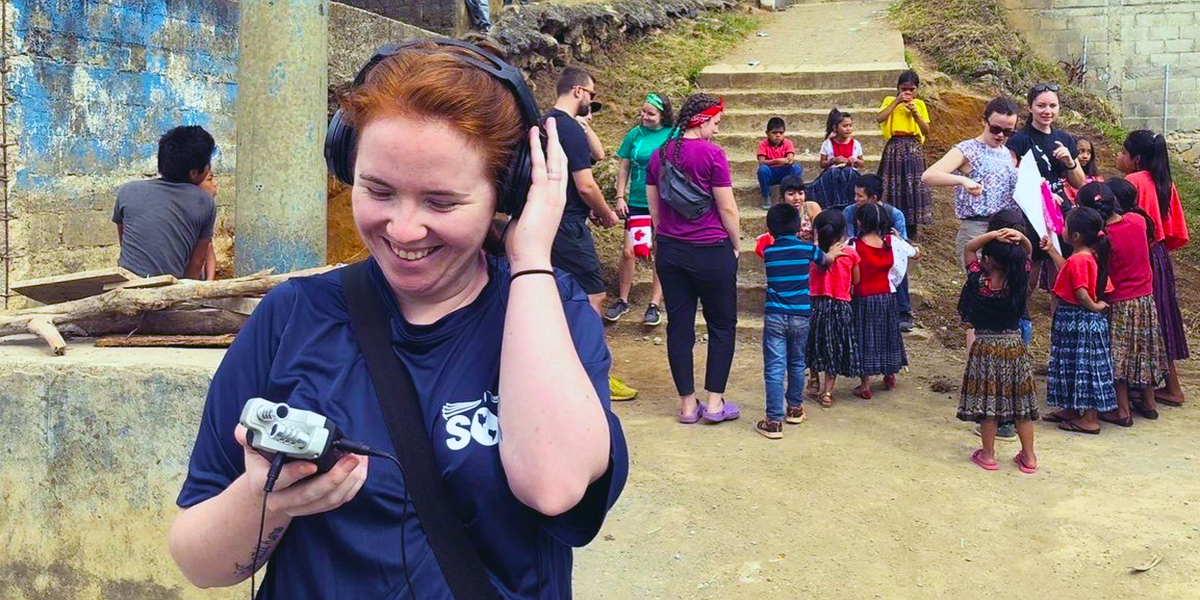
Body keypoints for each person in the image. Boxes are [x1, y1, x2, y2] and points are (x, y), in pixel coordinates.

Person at [168, 40, 627, 598]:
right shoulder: (292, 316)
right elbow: (200, 564)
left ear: (506, 194)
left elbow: (553, 488)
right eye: (378, 191)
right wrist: (264, 501)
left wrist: (530, 257)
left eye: (442, 202)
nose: (404, 230)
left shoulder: (552, 309)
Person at [645, 93, 742, 425]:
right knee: (722, 325)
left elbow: (655, 214)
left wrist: (668, 241)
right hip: (711, 249)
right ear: (702, 120)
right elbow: (727, 207)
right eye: (715, 123)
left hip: (671, 252)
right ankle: (714, 403)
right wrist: (736, 243)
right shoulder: (713, 154)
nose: (716, 130)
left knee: (679, 328)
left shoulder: (659, 156)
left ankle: (688, 405)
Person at [545, 67, 637, 402]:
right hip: (568, 227)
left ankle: (563, 368)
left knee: (557, 297)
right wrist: (606, 212)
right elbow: (585, 185)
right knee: (593, 297)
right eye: (591, 95)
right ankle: (593, 370)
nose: (592, 101)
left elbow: (596, 158)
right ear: (579, 91)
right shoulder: (566, 125)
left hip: (547, 221)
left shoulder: (547, 122)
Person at [1073, 182, 1164, 425]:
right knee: (1143, 350)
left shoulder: (1101, 240)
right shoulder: (1138, 221)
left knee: (1118, 356)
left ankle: (1122, 410)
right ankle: (1149, 403)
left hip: (1119, 302)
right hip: (1145, 299)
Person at [756, 203, 842, 439]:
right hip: (801, 315)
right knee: (796, 363)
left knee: (774, 367)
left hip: (775, 316)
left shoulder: (769, 252)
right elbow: (824, 261)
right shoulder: (806, 249)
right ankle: (794, 409)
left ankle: (773, 420)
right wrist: (833, 254)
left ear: (770, 229)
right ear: (797, 227)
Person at [1116, 130, 1189, 408]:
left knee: (1144, 322)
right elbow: (1173, 229)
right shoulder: (1164, 181)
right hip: (1159, 255)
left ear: (1135, 159)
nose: (1119, 157)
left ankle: (1147, 389)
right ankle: (1172, 387)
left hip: (1141, 256)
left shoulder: (1133, 181)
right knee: (1163, 318)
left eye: (1123, 152)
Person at [956, 228, 1037, 472]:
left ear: (988, 261)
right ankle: (1029, 457)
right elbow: (1028, 252)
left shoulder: (979, 282)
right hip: (1014, 347)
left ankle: (988, 455)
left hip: (985, 348)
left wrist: (992, 235)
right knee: (1021, 406)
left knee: (987, 402)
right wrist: (1019, 236)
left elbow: (969, 247)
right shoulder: (1018, 281)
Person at [922, 96, 1021, 271]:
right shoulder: (969, 149)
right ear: (984, 121)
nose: (1000, 136)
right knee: (980, 285)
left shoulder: (1006, 153)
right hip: (978, 228)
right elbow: (929, 175)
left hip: (1005, 228)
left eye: (1008, 132)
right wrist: (962, 180)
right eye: (995, 129)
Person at [1042, 207, 1117, 435]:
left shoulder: (1080, 260)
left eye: (1065, 226)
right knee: (1075, 365)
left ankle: (1090, 418)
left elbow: (1081, 291)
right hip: (1075, 321)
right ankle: (1073, 409)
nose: (1061, 229)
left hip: (1078, 319)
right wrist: (1052, 250)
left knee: (1085, 367)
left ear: (1075, 236)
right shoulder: (1083, 257)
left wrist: (1094, 306)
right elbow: (1068, 270)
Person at [112, 125, 217, 279]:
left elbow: (125, 241)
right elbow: (196, 263)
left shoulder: (127, 191)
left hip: (128, 285)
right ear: (194, 173)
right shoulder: (205, 202)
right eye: (208, 164)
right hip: (167, 291)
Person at [605, 93, 673, 326]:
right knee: (629, 251)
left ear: (662, 115)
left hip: (663, 203)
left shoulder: (671, 135)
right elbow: (624, 167)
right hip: (636, 202)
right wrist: (619, 196)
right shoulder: (635, 134)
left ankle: (654, 304)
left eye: (650, 113)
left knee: (657, 251)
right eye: (643, 112)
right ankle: (623, 300)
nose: (644, 116)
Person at [849, 204, 914, 398]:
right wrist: (901, 239)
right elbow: (915, 253)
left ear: (859, 222)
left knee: (864, 337)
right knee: (888, 335)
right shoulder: (891, 242)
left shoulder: (854, 244)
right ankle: (889, 374)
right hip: (886, 296)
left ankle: (865, 384)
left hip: (862, 296)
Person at [843, 174, 913, 331]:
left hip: (884, 254)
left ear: (873, 198)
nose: (855, 199)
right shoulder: (850, 212)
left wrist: (895, 241)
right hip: (860, 255)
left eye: (859, 196)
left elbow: (903, 244)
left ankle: (903, 310)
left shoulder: (894, 214)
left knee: (897, 265)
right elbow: (849, 238)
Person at [806, 209, 860, 408]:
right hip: (840, 305)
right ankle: (827, 392)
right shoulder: (850, 254)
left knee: (812, 343)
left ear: (817, 231)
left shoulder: (813, 253)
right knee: (833, 348)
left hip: (814, 304)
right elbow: (857, 279)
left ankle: (813, 379)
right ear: (843, 231)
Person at [876, 70, 932, 238]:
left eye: (911, 89)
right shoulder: (889, 101)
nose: (907, 93)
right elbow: (880, 118)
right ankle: (889, 227)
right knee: (891, 186)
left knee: (911, 188)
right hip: (894, 147)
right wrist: (896, 102)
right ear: (898, 88)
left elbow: (926, 130)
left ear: (917, 90)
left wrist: (915, 113)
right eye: (904, 89)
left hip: (913, 148)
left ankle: (911, 231)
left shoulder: (920, 105)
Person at [754, 174, 822, 257]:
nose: (797, 198)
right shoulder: (778, 213)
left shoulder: (812, 207)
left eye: (800, 193)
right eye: (791, 194)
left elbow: (820, 232)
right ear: (783, 196)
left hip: (812, 253)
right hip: (788, 254)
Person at [809, 108, 864, 210]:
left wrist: (854, 161)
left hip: (850, 175)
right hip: (832, 175)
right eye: (844, 126)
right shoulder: (827, 144)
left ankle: (848, 203)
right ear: (835, 128)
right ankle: (833, 203)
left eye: (850, 126)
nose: (848, 129)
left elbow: (862, 163)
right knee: (834, 173)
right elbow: (822, 164)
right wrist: (832, 161)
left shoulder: (855, 144)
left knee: (849, 173)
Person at [756, 117, 802, 209]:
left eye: (781, 133)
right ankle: (766, 196)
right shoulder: (763, 144)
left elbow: (791, 156)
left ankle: (794, 194)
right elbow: (761, 161)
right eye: (774, 133)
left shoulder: (788, 143)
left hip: (784, 173)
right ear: (767, 133)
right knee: (762, 170)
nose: (778, 135)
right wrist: (776, 161)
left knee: (796, 168)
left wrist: (788, 160)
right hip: (771, 173)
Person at [1063, 137, 1103, 205]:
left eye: (1088, 152)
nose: (1085, 156)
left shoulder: (1096, 177)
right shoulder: (1064, 180)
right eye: (1081, 152)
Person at [197, 169, 219, 281]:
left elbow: (208, 247)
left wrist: (209, 282)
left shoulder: (207, 210)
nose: (215, 183)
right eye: (209, 179)